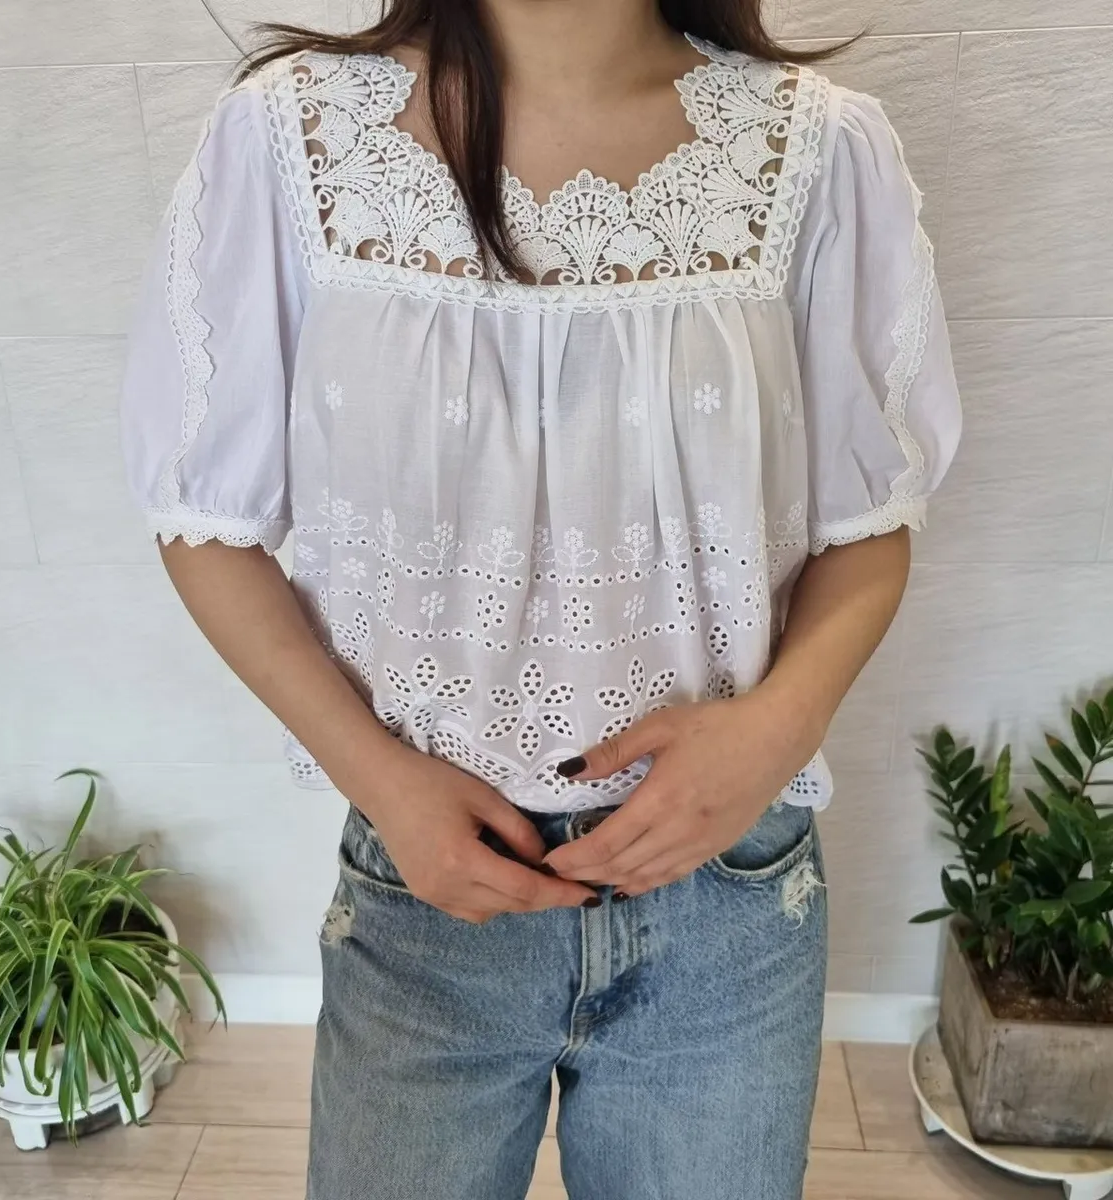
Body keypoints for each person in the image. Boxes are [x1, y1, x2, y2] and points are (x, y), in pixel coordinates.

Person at [120, 0, 961, 1195]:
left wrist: (775, 730)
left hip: (726, 889)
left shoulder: (820, 150)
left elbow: (868, 529)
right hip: (428, 890)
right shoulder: (287, 141)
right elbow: (204, 523)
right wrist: (384, 783)